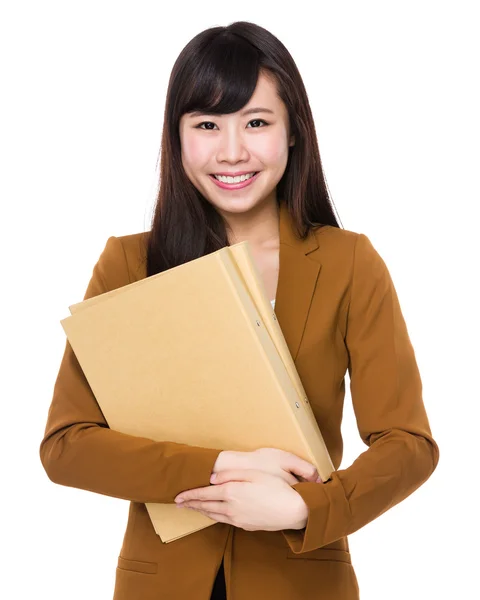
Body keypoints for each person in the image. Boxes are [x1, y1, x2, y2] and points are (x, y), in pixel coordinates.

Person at [39, 20, 439, 600]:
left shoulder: (351, 263)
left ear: (293, 131)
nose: (232, 151)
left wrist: (306, 507)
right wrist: (221, 469)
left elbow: (408, 443)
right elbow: (67, 445)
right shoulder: (128, 263)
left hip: (301, 581)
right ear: (177, 139)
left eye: (256, 122)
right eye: (206, 125)